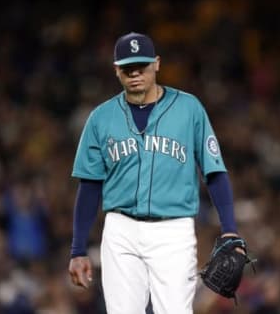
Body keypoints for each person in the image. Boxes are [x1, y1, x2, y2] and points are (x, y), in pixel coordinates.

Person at [69, 32, 245, 314]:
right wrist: (78, 249)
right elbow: (89, 186)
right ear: (116, 70)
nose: (135, 73)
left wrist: (229, 229)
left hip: (173, 230)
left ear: (157, 64)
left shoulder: (189, 109)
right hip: (120, 229)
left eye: (142, 66)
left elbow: (214, 172)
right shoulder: (100, 118)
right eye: (128, 68)